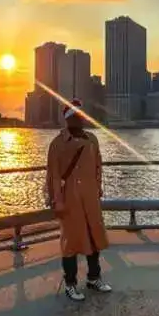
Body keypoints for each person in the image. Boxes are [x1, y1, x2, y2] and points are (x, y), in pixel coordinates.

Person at [46, 98, 112, 301]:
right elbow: (53, 175)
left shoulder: (92, 140)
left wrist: (98, 188)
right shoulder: (57, 144)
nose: (79, 119)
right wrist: (57, 200)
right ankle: (70, 284)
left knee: (93, 238)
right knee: (71, 243)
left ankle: (94, 277)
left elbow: (98, 165)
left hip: (90, 199)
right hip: (70, 200)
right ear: (67, 119)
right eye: (74, 116)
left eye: (81, 115)